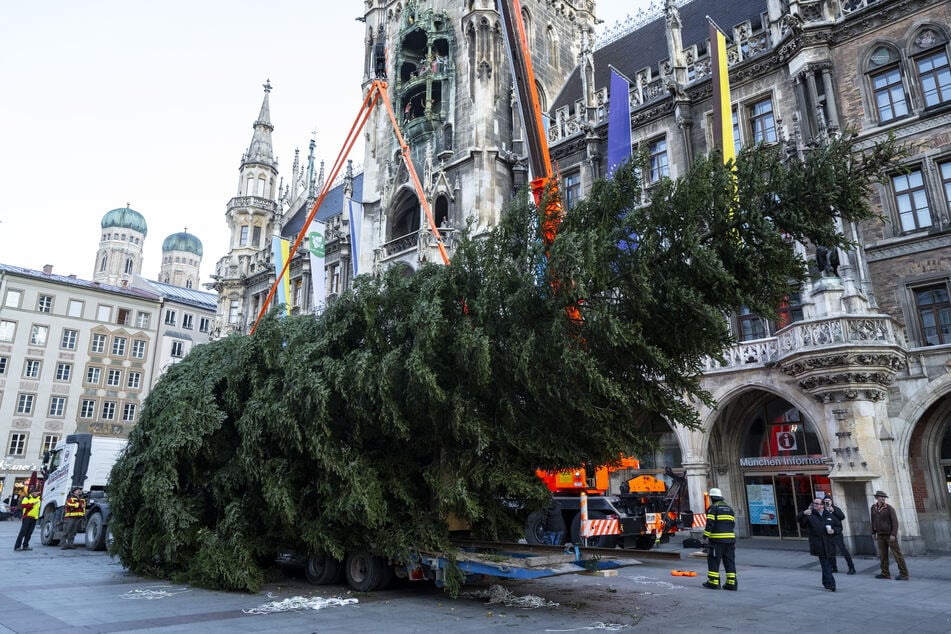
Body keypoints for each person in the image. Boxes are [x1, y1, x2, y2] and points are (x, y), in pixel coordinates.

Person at [798, 497, 840, 591]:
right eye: (814, 503)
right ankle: (831, 584)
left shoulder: (829, 514)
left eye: (817, 504)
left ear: (822, 505)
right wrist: (803, 513)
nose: (814, 505)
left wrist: (834, 531)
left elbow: (838, 526)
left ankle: (825, 582)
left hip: (829, 543)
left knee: (827, 564)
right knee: (826, 564)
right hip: (819, 544)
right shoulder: (810, 514)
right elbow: (799, 520)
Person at [702, 488, 737, 590]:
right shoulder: (730, 509)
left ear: (712, 498)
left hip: (717, 541)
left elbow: (710, 524)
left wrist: (705, 536)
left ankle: (713, 582)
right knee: (729, 561)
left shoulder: (713, 508)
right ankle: (731, 584)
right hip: (730, 540)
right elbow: (732, 523)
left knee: (713, 560)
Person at [870, 490, 909, 580]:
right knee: (882, 555)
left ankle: (904, 574)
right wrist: (873, 532)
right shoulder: (873, 508)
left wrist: (893, 534)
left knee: (897, 554)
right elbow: (873, 521)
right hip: (880, 535)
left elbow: (895, 522)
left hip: (889, 535)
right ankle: (885, 573)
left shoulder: (889, 508)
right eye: (881, 497)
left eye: (884, 497)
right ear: (877, 498)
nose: (883, 498)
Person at [823, 496, 856, 574]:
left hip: (837, 533)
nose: (827, 502)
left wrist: (834, 511)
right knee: (831, 551)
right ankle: (834, 568)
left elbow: (842, 517)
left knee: (843, 550)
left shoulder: (836, 509)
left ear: (831, 501)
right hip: (828, 534)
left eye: (828, 501)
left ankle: (851, 567)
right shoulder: (824, 511)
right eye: (825, 501)